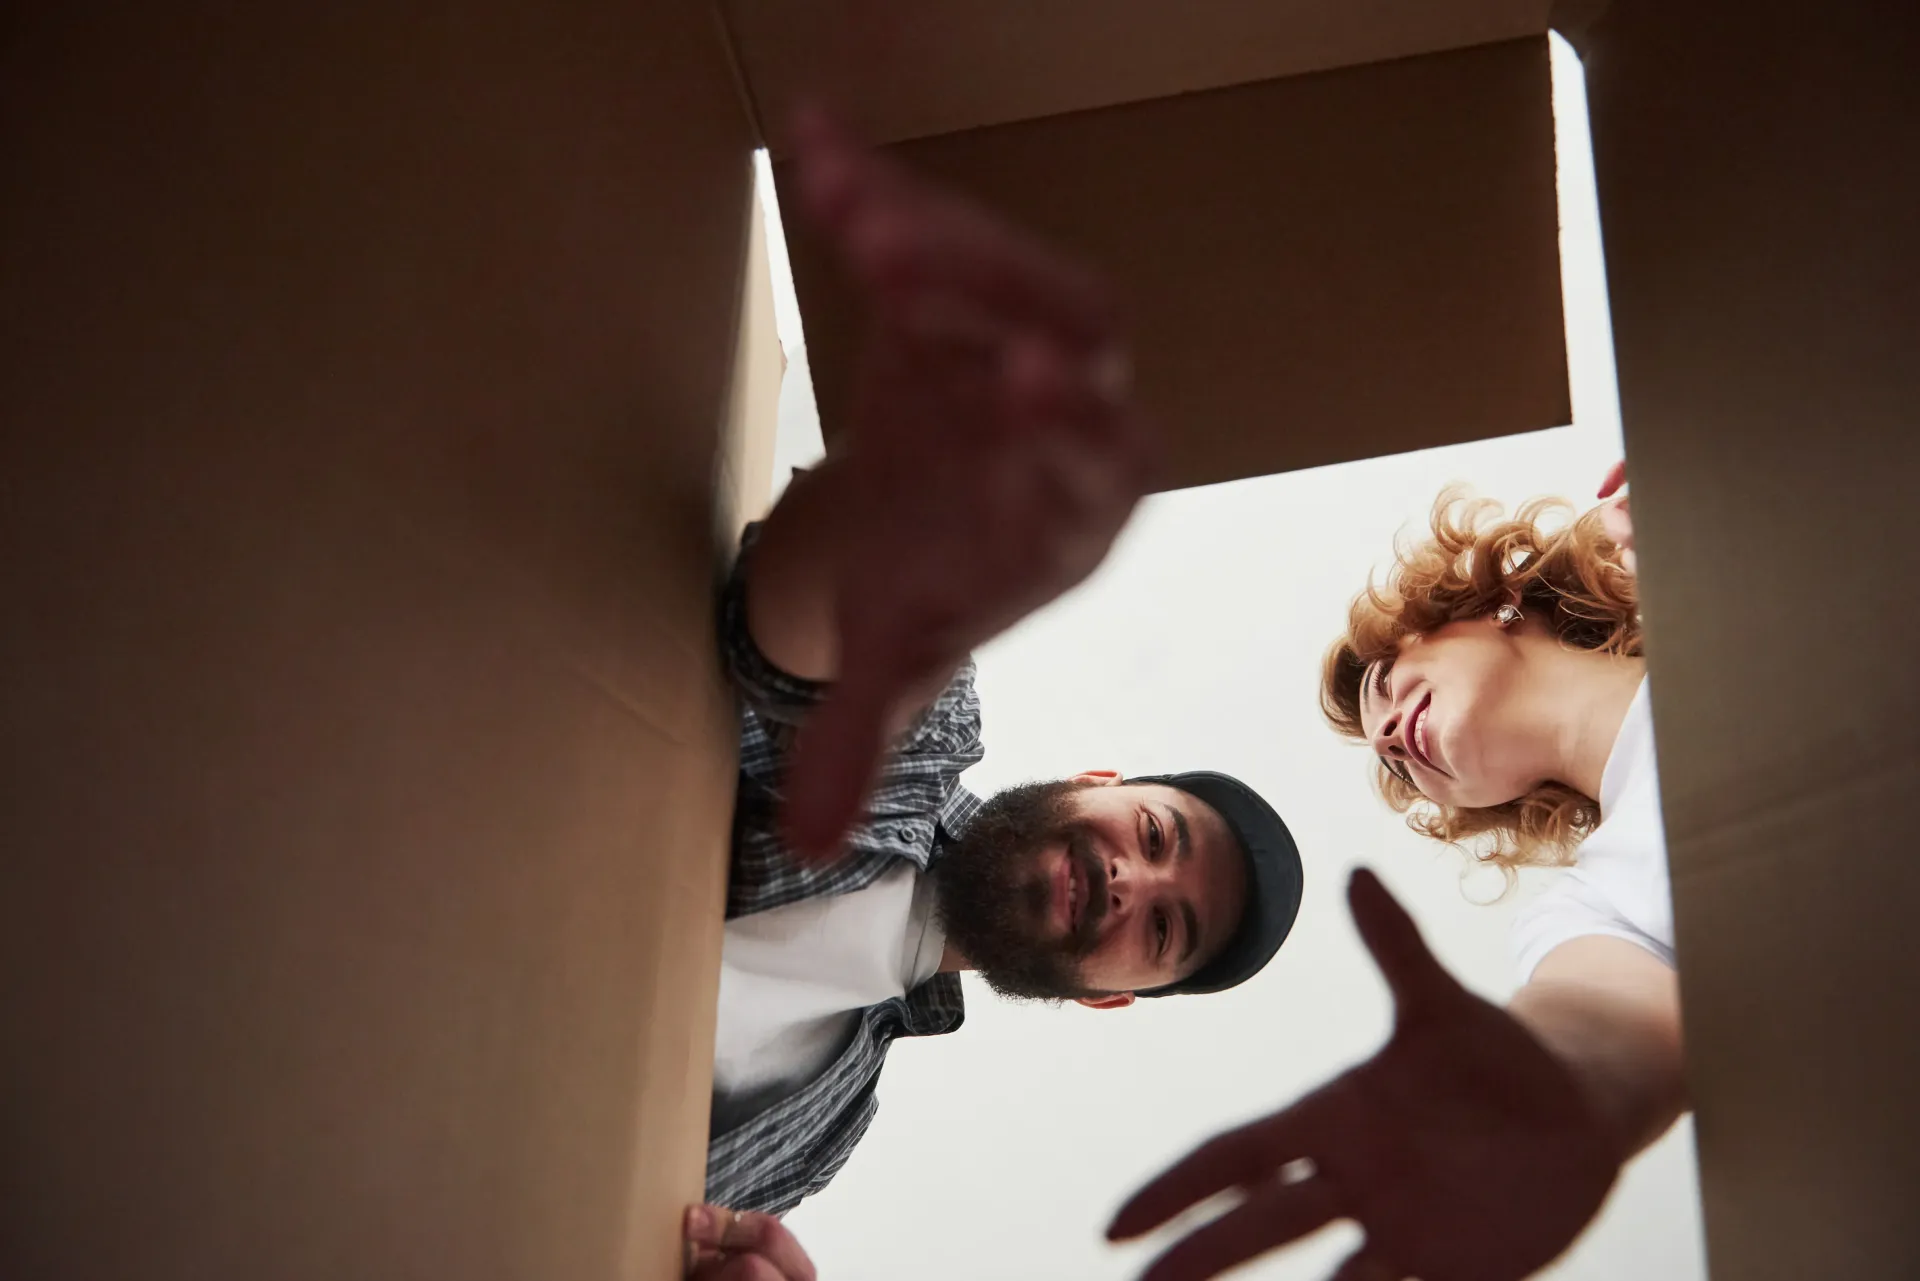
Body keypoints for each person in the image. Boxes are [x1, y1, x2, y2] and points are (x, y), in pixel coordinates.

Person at [680, 111, 1304, 1281]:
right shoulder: (923, 736)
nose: (1133, 880)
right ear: (1101, 785)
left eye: (1163, 928)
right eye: (1158, 835)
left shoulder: (829, 1129)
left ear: (1115, 997)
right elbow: (787, 644)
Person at [1110, 470, 1684, 1281]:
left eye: (1382, 684)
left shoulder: (1711, 565)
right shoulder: (1600, 908)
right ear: (1482, 802)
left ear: (1496, 605)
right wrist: (1547, 1087)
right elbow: (1603, 1023)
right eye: (1399, 770)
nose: (1386, 735)